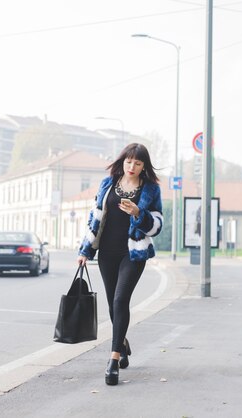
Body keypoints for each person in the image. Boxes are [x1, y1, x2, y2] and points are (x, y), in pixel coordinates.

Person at [77, 143, 163, 386]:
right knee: (113, 307)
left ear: (144, 165)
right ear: (122, 161)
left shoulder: (150, 190)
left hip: (133, 254)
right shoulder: (108, 184)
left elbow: (157, 226)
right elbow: (95, 218)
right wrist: (85, 250)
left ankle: (113, 360)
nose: (132, 166)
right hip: (106, 253)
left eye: (137, 163)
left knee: (120, 300)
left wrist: (139, 213)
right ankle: (122, 342)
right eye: (128, 161)